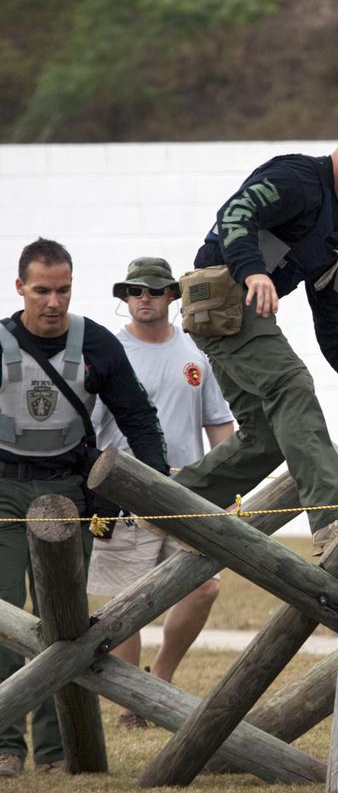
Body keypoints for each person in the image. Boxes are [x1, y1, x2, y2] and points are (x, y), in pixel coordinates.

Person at [172, 115, 338, 555]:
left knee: (266, 437)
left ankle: (172, 506)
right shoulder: (297, 177)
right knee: (291, 385)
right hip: (224, 295)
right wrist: (253, 270)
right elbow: (236, 213)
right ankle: (335, 519)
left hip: (238, 311)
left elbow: (333, 302)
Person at [0, 239, 167, 777]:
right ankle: (6, 745)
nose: (53, 301)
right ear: (20, 286)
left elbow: (138, 417)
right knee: (5, 615)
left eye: (64, 289)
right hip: (4, 489)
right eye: (42, 289)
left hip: (68, 490)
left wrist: (156, 489)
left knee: (63, 623)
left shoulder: (95, 342)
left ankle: (56, 751)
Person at [87, 257, 234, 730]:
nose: (143, 298)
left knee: (206, 586)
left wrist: (229, 486)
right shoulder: (110, 351)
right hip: (124, 486)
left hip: (188, 487)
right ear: (125, 297)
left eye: (153, 290)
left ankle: (163, 674)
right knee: (125, 601)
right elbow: (87, 427)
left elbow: (218, 422)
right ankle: (135, 701)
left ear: (173, 296)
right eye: (134, 291)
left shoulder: (196, 352)